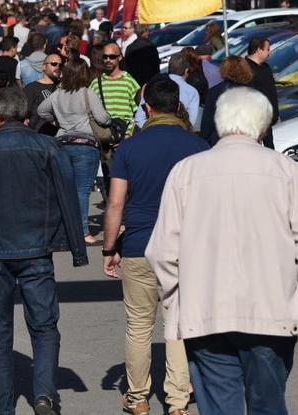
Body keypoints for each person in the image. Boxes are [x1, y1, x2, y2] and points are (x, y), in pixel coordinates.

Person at [145, 87, 298, 415]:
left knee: (218, 405)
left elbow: (161, 251)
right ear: (263, 125)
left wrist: (178, 298)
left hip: (206, 309)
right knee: (268, 405)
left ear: (219, 121)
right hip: (273, 310)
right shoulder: (285, 171)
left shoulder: (186, 171)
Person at [0, 87, 88, 415]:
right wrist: (77, 249)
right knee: (43, 326)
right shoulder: (47, 146)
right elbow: (67, 194)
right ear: (25, 114)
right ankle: (43, 393)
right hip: (37, 250)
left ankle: (2, 407)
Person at [103, 75, 208, 415]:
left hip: (138, 245)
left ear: (145, 107)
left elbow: (116, 203)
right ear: (177, 106)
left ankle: (138, 398)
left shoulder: (130, 148)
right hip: (183, 248)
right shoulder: (198, 146)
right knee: (177, 324)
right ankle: (177, 402)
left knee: (138, 326)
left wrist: (108, 248)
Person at [38, 58, 111, 245]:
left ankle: (64, 229)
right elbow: (102, 118)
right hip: (86, 145)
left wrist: (58, 123)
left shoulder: (57, 94)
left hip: (62, 143)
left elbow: (41, 111)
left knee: (64, 189)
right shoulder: (88, 93)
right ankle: (83, 231)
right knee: (82, 190)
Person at [134, 52, 200, 129]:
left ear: (169, 68)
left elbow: (139, 118)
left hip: (151, 134)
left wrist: (149, 130)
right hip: (178, 136)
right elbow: (191, 122)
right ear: (186, 71)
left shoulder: (153, 85)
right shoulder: (192, 92)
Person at [200, 56, 254, 146]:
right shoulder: (252, 93)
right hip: (247, 141)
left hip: (220, 142)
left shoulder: (214, 92)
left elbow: (207, 124)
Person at [89, 42, 140, 136]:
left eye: (112, 57)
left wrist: (128, 134)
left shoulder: (129, 82)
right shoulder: (96, 83)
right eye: (105, 57)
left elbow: (138, 112)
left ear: (119, 57)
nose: (108, 60)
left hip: (125, 138)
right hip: (104, 138)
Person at [244, 37, 279, 148]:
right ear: (259, 50)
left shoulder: (265, 68)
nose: (270, 52)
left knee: (269, 151)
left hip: (267, 120)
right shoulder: (245, 68)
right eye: (267, 49)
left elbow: (271, 92)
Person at [25, 53, 62, 135]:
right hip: (38, 135)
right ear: (44, 67)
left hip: (59, 136)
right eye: (54, 64)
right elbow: (24, 116)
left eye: (60, 65)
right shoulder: (32, 88)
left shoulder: (63, 87)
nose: (57, 67)